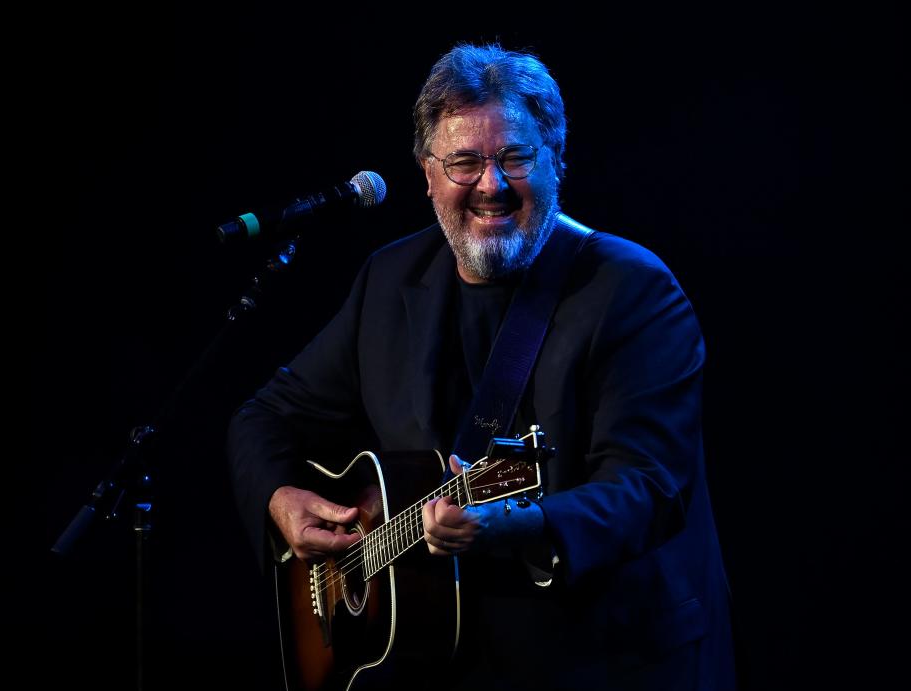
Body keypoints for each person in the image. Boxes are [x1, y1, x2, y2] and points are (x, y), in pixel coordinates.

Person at [227, 42, 735, 690]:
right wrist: (280, 499)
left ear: (556, 161)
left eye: (514, 158)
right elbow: (264, 417)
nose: (490, 186)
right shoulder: (390, 281)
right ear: (427, 173)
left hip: (610, 659)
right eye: (464, 162)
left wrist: (514, 524)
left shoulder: (632, 292)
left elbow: (646, 488)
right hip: (441, 664)